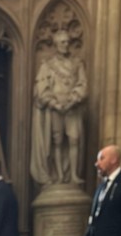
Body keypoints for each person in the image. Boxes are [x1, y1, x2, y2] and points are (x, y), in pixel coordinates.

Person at [30, 29, 88, 186]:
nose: (66, 44)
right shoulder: (48, 65)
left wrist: (73, 99)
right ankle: (60, 176)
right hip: (55, 107)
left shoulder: (77, 63)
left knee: (74, 139)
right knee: (57, 141)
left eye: (68, 42)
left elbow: (82, 84)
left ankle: (74, 174)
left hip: (72, 107)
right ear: (56, 44)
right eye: (62, 42)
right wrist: (54, 103)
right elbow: (41, 87)